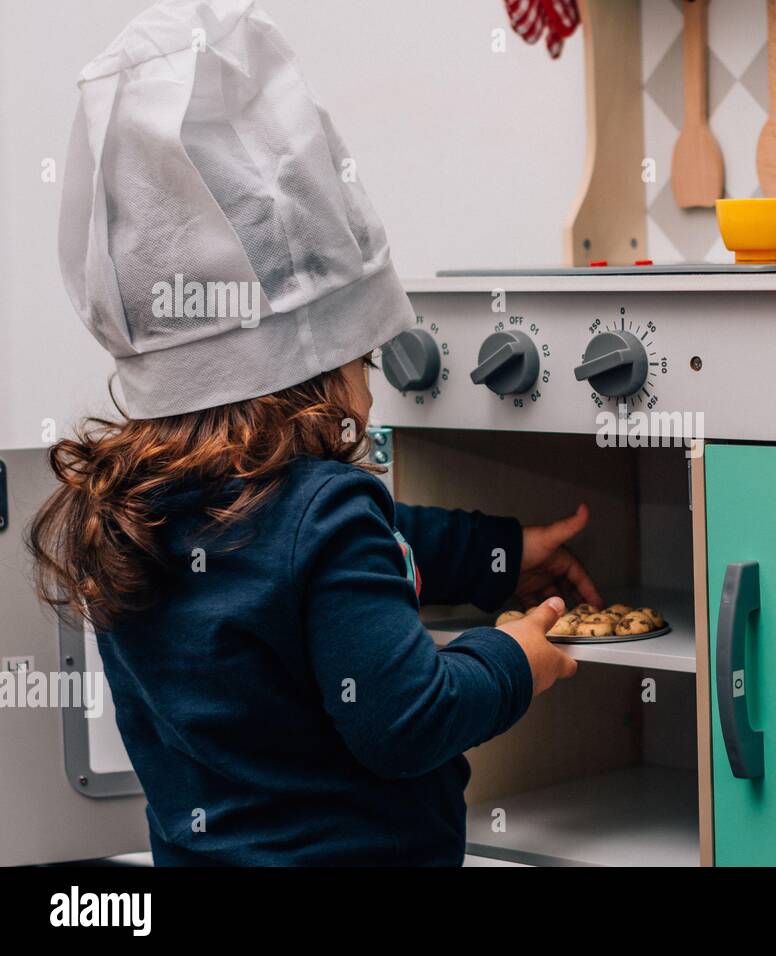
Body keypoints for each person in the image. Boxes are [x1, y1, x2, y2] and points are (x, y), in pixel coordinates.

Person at [27, 0, 596, 865]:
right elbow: (408, 719)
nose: (369, 378)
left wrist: (497, 553)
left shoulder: (139, 505)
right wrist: (514, 658)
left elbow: (338, 558)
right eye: (362, 355)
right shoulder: (322, 513)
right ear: (317, 366)